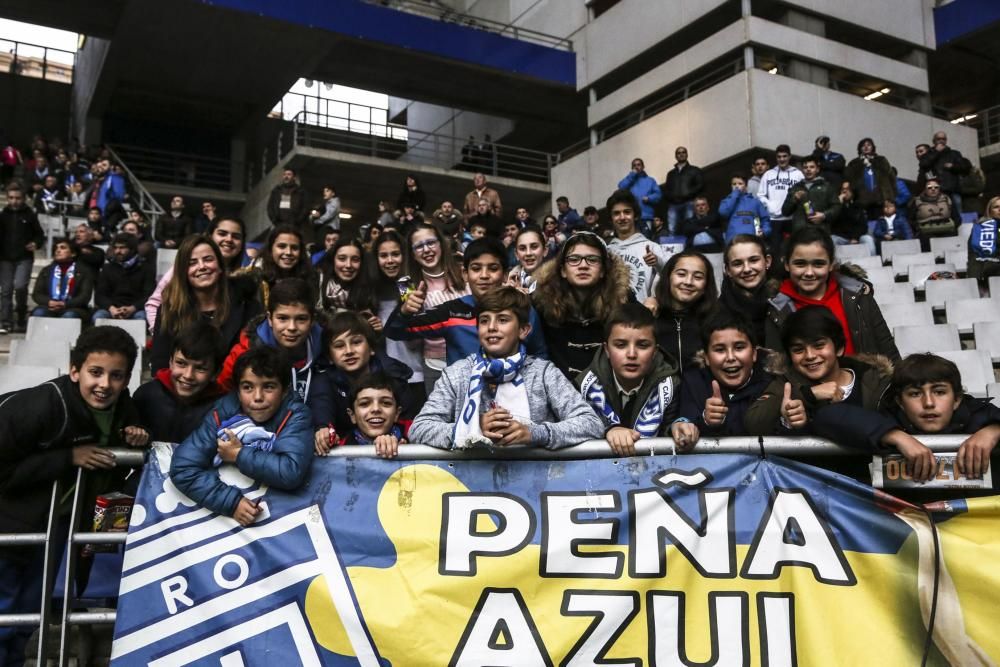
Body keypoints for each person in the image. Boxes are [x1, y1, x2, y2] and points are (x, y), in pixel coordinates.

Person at [0, 326, 147, 665]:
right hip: (11, 531)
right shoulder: (38, 406)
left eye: (116, 376)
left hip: (56, 529)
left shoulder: (123, 407)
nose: (104, 384)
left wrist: (136, 436)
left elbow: (122, 447)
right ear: (75, 369)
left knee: (28, 614)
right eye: (95, 372)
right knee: (4, 614)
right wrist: (67, 458)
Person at [745, 307, 935, 480]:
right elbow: (753, 423)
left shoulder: (876, 380)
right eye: (798, 349)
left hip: (877, 493)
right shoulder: (785, 384)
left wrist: (967, 437)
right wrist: (808, 395)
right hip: (814, 493)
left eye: (819, 345)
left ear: (839, 348)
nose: (810, 355)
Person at [409, 287, 604, 450]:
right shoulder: (456, 373)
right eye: (484, 320)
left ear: (523, 330)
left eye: (502, 320)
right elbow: (419, 429)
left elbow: (591, 423)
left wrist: (535, 433)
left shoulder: (543, 373)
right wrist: (471, 427)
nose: (491, 327)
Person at [170, 345, 314, 525]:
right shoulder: (223, 412)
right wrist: (232, 502)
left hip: (289, 523)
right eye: (248, 387)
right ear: (237, 391)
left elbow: (290, 471)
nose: (258, 397)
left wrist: (238, 454)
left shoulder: (296, 414)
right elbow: (183, 467)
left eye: (268, 387)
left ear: (285, 391)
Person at [386, 237, 547, 365]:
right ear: (465, 274)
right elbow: (394, 332)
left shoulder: (523, 310)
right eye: (476, 268)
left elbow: (540, 355)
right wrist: (404, 312)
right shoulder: (451, 312)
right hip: (464, 402)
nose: (484, 275)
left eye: (493, 268)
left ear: (505, 274)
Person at [577, 303, 696, 455]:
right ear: (607, 350)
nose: (632, 354)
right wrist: (608, 430)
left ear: (655, 351)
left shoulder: (671, 385)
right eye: (621, 345)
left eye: (642, 345)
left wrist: (676, 428)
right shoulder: (584, 385)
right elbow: (576, 430)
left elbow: (669, 430)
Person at [765, 226, 899, 360]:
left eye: (818, 264)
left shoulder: (858, 295)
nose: (809, 273)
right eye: (800, 264)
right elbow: (778, 365)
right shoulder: (777, 309)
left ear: (831, 265)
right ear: (787, 265)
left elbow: (886, 345)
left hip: (866, 380)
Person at [150, 235, 261, 372]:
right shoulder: (169, 311)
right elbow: (160, 365)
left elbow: (257, 357)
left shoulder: (247, 305)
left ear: (220, 266)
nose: (202, 266)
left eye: (208, 259)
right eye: (192, 263)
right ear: (183, 271)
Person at [532, 232, 634, 379]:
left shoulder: (623, 303)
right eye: (574, 259)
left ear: (603, 271)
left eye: (592, 259)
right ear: (562, 270)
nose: (583, 265)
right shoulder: (541, 303)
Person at [884, 353, 1000, 480]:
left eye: (939, 392)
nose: (928, 403)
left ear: (956, 400)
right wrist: (890, 435)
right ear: (900, 402)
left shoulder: (980, 416)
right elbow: (863, 426)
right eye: (915, 394)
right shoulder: (883, 422)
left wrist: (993, 431)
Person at [308, 312, 414, 449]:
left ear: (372, 348)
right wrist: (323, 430)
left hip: (392, 444)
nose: (349, 351)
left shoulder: (393, 376)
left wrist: (401, 438)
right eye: (339, 346)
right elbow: (322, 412)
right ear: (329, 357)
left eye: (356, 342)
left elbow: (408, 422)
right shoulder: (323, 381)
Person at [217, 278, 323, 402]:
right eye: (283, 318)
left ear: (312, 320)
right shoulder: (246, 350)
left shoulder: (328, 348)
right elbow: (222, 390)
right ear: (270, 319)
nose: (292, 327)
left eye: (301, 319)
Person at [679, 312, 771, 437]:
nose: (730, 357)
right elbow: (685, 426)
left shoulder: (772, 384)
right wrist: (706, 421)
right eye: (720, 350)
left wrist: (788, 423)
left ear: (754, 353)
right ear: (706, 358)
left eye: (739, 348)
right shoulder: (693, 383)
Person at [134, 321, 226, 443]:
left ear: (216, 372)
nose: (188, 375)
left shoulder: (223, 407)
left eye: (200, 368)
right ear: (170, 362)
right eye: (181, 363)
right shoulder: (146, 396)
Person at [403, 223, 470, 391]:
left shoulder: (464, 272)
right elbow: (412, 345)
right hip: (435, 368)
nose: (426, 249)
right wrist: (412, 315)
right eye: (419, 246)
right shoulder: (407, 285)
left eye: (431, 242)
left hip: (472, 361)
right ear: (412, 254)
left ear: (441, 243)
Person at [370, 230, 426, 406]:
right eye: (383, 255)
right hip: (384, 377)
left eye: (395, 254)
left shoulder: (411, 286)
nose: (390, 261)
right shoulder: (371, 292)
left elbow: (415, 339)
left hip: (417, 375)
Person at [316, 373, 408, 457]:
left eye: (386, 403)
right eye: (364, 404)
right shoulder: (339, 448)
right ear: (352, 415)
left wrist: (405, 448)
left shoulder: (412, 434)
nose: (376, 409)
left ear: (397, 413)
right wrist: (324, 442)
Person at [654, 251, 718, 370]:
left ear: (706, 285)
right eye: (681, 274)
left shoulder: (716, 321)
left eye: (698, 277)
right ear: (668, 278)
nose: (688, 282)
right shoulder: (651, 317)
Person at [606, 189, 668, 300]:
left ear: (635, 215)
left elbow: (669, 277)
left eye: (627, 212)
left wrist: (657, 262)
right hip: (612, 314)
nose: (622, 217)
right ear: (611, 218)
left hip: (643, 315)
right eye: (616, 213)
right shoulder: (606, 251)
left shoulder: (652, 247)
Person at [0, 184, 44, 334]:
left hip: (24, 257)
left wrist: (36, 243)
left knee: (20, 287)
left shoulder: (30, 215)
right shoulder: (3, 215)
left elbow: (39, 234)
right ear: (7, 198)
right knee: (6, 290)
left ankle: (20, 316)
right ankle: (5, 321)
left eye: (18, 198)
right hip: (5, 258)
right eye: (11, 198)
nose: (14, 201)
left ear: (24, 199)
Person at [242, 225, 315, 309]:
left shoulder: (310, 277)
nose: (288, 252)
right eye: (282, 246)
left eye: (294, 248)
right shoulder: (253, 279)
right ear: (270, 249)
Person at [718, 235, 772, 344]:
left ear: (767, 261)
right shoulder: (716, 313)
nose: (747, 269)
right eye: (737, 263)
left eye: (753, 260)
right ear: (727, 270)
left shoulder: (783, 304)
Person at [92, 233, 155, 324]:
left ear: (132, 249)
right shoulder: (107, 268)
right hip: (111, 309)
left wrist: (132, 308)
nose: (118, 251)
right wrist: (111, 308)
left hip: (136, 309)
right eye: (115, 248)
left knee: (142, 318)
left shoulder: (146, 269)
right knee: (98, 317)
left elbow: (149, 296)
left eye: (122, 248)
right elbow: (100, 295)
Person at [31, 238, 94, 320]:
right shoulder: (47, 271)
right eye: (56, 248)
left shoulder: (83, 271)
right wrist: (49, 302)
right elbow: (37, 294)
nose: (58, 250)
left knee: (69, 316)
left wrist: (64, 304)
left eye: (62, 248)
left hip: (73, 308)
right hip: (49, 306)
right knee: (39, 313)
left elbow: (84, 296)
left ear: (73, 253)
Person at [756, 145, 803, 250]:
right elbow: (760, 195)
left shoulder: (798, 174)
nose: (782, 159)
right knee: (775, 249)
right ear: (776, 158)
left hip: (792, 218)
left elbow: (804, 195)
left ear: (789, 156)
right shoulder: (768, 174)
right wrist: (770, 206)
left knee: (793, 248)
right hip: (774, 219)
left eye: (784, 156)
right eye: (779, 156)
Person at [317, 237, 378, 316]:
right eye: (342, 259)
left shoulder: (370, 289)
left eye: (355, 259)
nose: (348, 265)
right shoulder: (319, 283)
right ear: (333, 260)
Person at [919, 131, 970, 222]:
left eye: (943, 139)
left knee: (958, 215)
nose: (941, 141)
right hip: (935, 191)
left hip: (953, 189)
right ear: (934, 141)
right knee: (937, 214)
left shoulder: (954, 154)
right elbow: (923, 164)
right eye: (939, 139)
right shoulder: (928, 154)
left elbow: (965, 168)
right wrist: (936, 152)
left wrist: (953, 166)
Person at [781, 156, 841, 235]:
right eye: (805, 167)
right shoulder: (795, 188)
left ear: (817, 169)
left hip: (820, 231)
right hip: (799, 232)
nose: (808, 169)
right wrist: (794, 199)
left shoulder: (827, 187)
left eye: (812, 167)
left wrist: (824, 215)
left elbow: (837, 207)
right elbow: (785, 211)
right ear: (802, 170)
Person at [843, 137, 895, 220]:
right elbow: (849, 179)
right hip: (862, 200)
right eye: (863, 145)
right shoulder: (854, 163)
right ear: (860, 148)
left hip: (881, 198)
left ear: (873, 147)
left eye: (869, 145)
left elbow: (891, 177)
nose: (866, 147)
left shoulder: (881, 160)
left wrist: (891, 196)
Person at [663, 146, 704, 236]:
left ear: (687, 154)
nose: (681, 154)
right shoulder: (671, 173)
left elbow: (700, 185)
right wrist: (670, 197)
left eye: (683, 152)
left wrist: (688, 194)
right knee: (672, 229)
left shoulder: (694, 170)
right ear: (676, 156)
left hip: (689, 202)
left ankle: (690, 249)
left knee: (690, 227)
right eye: (679, 153)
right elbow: (666, 189)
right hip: (673, 204)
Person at [617, 157, 662, 236]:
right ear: (632, 168)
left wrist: (649, 198)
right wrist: (632, 175)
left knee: (647, 239)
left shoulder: (650, 180)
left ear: (643, 166)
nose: (636, 167)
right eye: (634, 165)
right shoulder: (629, 181)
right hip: (632, 218)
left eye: (639, 165)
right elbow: (621, 187)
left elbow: (658, 195)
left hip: (646, 216)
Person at [719, 174, 770, 243]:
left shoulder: (755, 202)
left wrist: (763, 232)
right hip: (733, 241)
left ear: (746, 186)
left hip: (752, 240)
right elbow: (723, 213)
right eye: (734, 184)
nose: (737, 186)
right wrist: (734, 195)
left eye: (740, 183)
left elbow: (764, 219)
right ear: (731, 186)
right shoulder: (727, 201)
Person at [831, 181, 877, 256]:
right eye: (843, 189)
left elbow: (863, 226)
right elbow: (834, 223)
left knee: (868, 239)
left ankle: (874, 262)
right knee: (832, 239)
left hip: (857, 237)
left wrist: (855, 237)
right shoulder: (836, 206)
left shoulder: (858, 206)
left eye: (847, 189)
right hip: (842, 238)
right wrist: (838, 205)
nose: (844, 191)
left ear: (852, 191)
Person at [908, 178, 955, 249]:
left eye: (936, 187)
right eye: (930, 188)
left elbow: (956, 217)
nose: (933, 189)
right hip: (926, 233)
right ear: (925, 189)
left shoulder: (947, 199)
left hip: (946, 230)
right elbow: (910, 219)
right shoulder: (916, 202)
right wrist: (918, 228)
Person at [968, 196, 1000, 290]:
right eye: (996, 207)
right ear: (989, 211)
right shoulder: (982, 228)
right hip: (988, 268)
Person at [266, 168, 308, 233]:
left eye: (289, 174)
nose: (286, 176)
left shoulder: (300, 192)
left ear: (294, 177)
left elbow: (305, 208)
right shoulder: (276, 191)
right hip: (278, 224)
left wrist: (298, 221)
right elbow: (270, 207)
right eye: (284, 174)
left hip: (294, 225)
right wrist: (274, 220)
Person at [506, 224, 545, 294]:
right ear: (516, 254)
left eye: (534, 247)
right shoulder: (509, 280)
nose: (528, 253)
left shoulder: (557, 282)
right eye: (522, 248)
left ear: (545, 251)